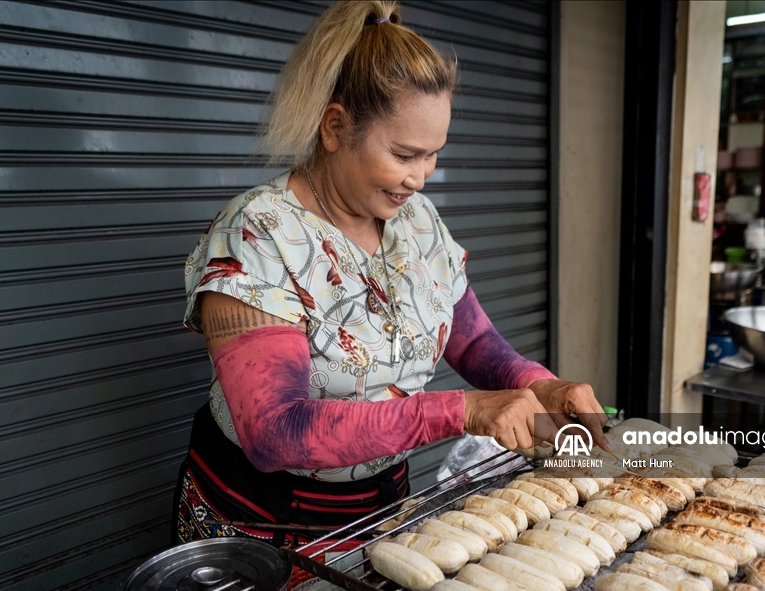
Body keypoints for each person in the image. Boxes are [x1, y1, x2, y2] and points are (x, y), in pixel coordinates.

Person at [174, 0, 609, 546]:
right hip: (262, 519)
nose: (421, 179)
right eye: (405, 155)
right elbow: (274, 433)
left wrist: (539, 384)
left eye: (433, 156)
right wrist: (463, 410)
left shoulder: (416, 221)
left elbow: (472, 341)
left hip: (380, 508)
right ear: (335, 127)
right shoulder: (257, 236)